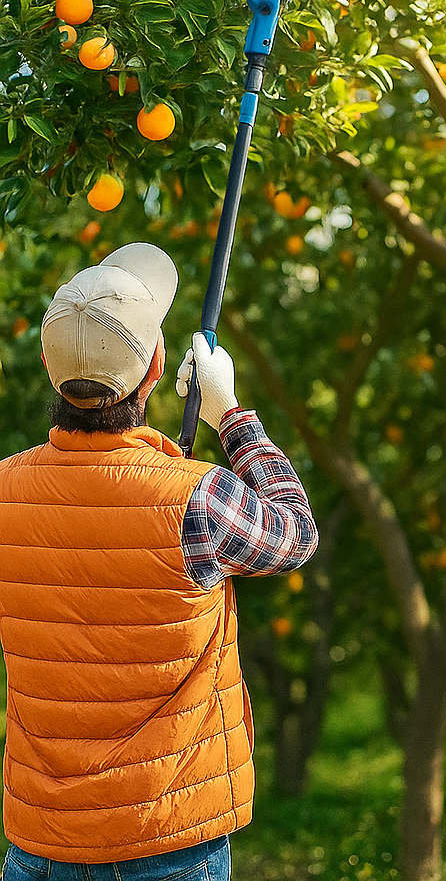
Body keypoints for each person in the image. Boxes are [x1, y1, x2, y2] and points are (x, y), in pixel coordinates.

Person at [0, 242, 318, 879]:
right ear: (155, 371)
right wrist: (231, 412)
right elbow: (296, 531)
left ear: (45, 362)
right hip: (164, 841)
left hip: (40, 843)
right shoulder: (195, 498)